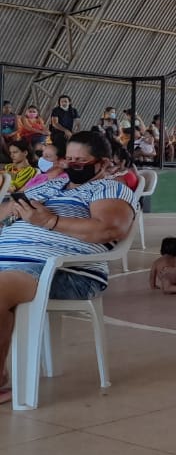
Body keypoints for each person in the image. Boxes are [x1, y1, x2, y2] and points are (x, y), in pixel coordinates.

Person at [0, 131, 138, 407]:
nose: (72, 165)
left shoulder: (109, 188)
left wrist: (49, 221)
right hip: (12, 264)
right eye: (69, 159)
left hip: (64, 271)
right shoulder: (50, 185)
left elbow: (110, 229)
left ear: (102, 163)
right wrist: (12, 209)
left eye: (80, 161)